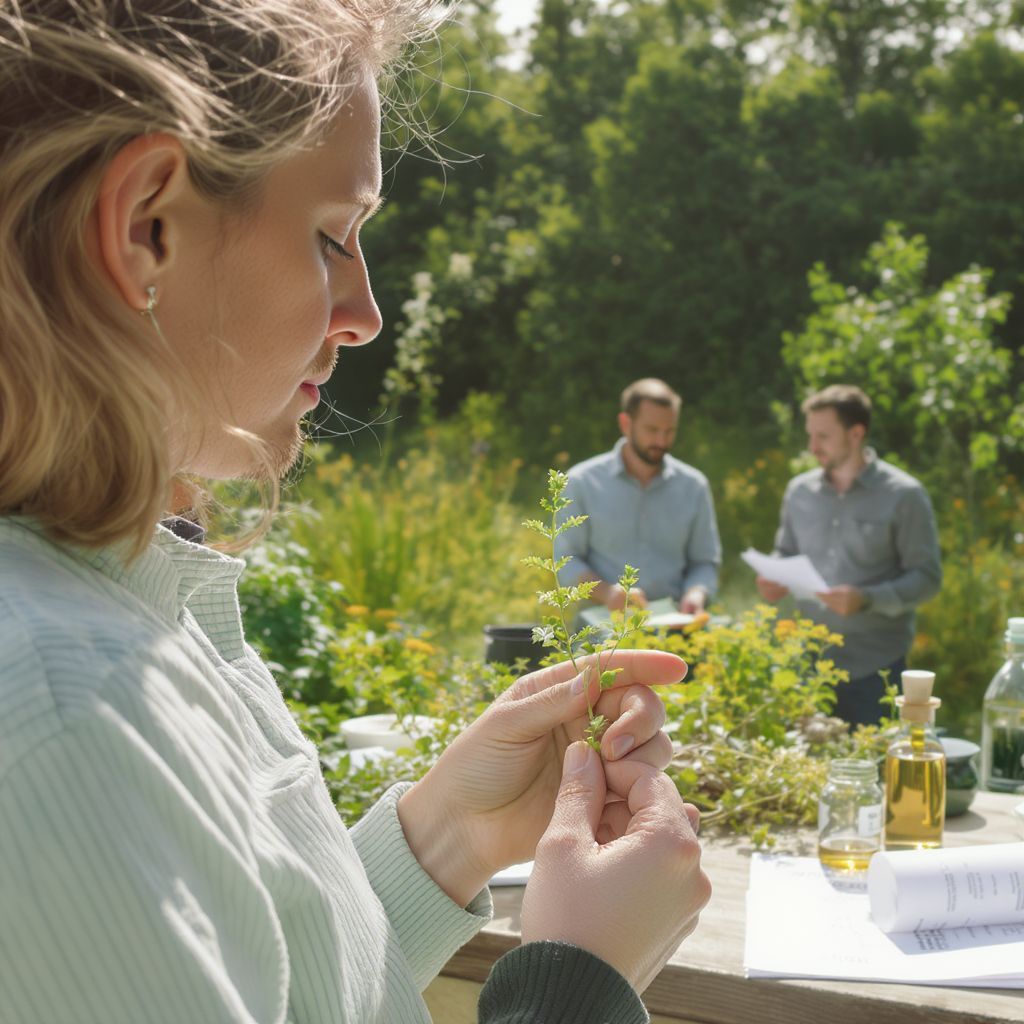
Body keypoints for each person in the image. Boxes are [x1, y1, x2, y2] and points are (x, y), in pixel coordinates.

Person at [0, 3, 711, 1023]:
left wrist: (447, 836)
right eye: (334, 236)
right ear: (144, 226)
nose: (365, 312)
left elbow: (264, 976)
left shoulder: (121, 603)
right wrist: (576, 979)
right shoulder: (63, 713)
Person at [756, 385, 942, 726]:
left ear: (856, 433)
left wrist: (866, 599)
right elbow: (785, 551)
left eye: (823, 436)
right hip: (808, 664)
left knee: (875, 773)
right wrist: (775, 576)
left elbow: (928, 578)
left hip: (876, 668)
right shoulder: (799, 491)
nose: (812, 447)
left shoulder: (904, 495)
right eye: (810, 435)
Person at [555, 378, 722, 614]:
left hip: (675, 627)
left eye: (670, 431)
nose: (661, 441)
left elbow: (704, 561)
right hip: (602, 627)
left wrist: (696, 593)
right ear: (625, 423)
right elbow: (566, 560)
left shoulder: (694, 486)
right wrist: (608, 594)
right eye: (652, 430)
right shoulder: (582, 482)